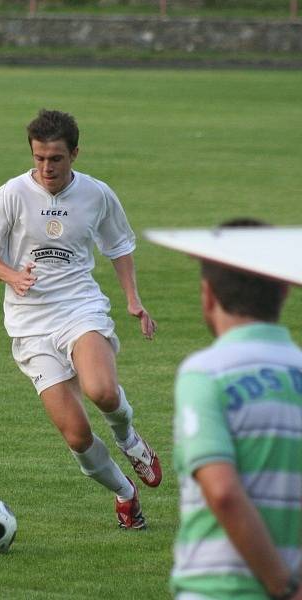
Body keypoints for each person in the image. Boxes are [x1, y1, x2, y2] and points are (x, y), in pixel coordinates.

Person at [0, 109, 161, 529]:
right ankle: (126, 494)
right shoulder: (12, 194)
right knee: (77, 437)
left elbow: (120, 245)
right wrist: (12, 275)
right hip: (30, 327)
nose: (46, 167)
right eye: (39, 159)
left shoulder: (97, 194)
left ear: (74, 154)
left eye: (55, 158)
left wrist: (133, 299)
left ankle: (129, 440)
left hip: (79, 308)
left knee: (102, 391)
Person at [171, 219, 302, 599]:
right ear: (283, 291)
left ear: (208, 295)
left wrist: (281, 584)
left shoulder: (205, 374)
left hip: (217, 587)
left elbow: (223, 491)